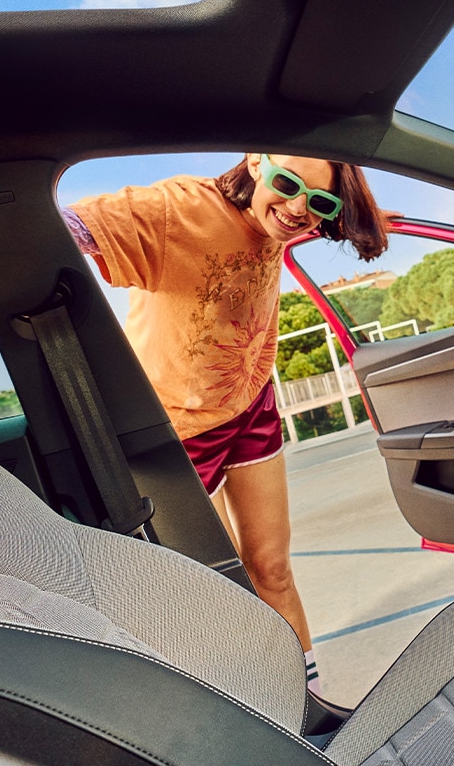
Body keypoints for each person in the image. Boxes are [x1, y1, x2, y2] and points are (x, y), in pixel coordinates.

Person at [62, 154, 388, 696]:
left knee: (273, 567)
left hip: (250, 405)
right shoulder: (178, 210)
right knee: (225, 589)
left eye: (320, 204)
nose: (297, 210)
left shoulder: (277, 218)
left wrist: (370, 218)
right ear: (255, 161)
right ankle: (262, 706)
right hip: (181, 432)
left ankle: (309, 705)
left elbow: (306, 212)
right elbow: (67, 228)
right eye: (286, 185)